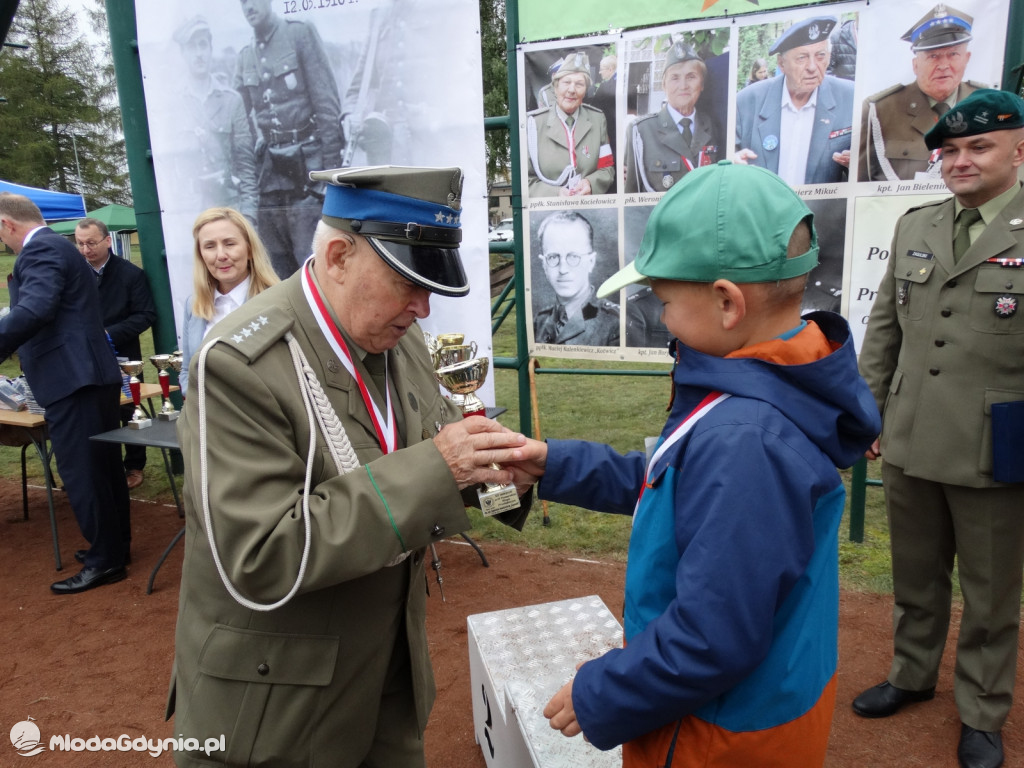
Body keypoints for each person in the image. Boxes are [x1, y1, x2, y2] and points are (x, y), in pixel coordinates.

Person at [509, 161, 880, 767]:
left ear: (727, 303)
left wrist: (602, 690)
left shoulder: (746, 437)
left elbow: (713, 637)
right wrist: (551, 464)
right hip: (761, 704)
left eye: (664, 300)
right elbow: (672, 483)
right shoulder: (763, 386)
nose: (661, 318)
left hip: (717, 734)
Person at [166, 165, 534, 767]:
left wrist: (501, 482)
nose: (423, 305)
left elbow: (438, 457)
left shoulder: (397, 335)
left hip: (385, 683)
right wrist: (443, 469)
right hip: (276, 717)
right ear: (338, 256)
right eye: (406, 282)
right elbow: (260, 557)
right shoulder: (239, 365)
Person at [853, 89, 1024, 768]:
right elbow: (884, 329)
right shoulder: (916, 225)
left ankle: (983, 711)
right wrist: (867, 411)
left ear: (1019, 149)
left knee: (990, 591)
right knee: (916, 576)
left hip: (997, 446)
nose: (959, 161)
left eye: (978, 146)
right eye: (948, 150)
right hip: (912, 436)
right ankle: (912, 674)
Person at [0, 194, 131, 594]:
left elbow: (35, 309)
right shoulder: (55, 246)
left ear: (7, 224)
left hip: (74, 379)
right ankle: (113, 546)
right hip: (86, 375)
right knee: (103, 468)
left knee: (84, 472)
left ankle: (105, 560)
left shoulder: (40, 250)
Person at [234, 0, 343, 278]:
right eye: (243, 2)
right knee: (277, 271)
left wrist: (329, 179)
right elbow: (241, 125)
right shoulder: (245, 56)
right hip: (270, 179)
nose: (249, 7)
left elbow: (327, 107)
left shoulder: (299, 34)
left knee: (315, 268)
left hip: (308, 173)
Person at [75, 217, 156, 492]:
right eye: (80, 244)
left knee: (129, 410)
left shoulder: (131, 274)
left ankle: (134, 465)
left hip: (123, 355)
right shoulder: (74, 274)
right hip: (83, 357)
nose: (86, 250)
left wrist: (109, 334)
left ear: (108, 241)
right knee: (91, 411)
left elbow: (146, 314)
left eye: (91, 243)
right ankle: (99, 468)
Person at [858, 4, 983, 182]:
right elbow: (862, 182)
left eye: (953, 54)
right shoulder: (881, 111)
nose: (944, 65)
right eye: (933, 56)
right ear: (915, 65)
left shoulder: (987, 103)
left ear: (966, 59)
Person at [735, 16, 855, 186]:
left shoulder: (851, 97)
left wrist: (859, 164)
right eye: (802, 58)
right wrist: (733, 164)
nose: (813, 67)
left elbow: (872, 166)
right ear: (781, 64)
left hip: (822, 212)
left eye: (820, 56)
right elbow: (725, 160)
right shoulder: (747, 102)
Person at [178, 207, 278, 397]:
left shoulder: (276, 301)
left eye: (229, 243)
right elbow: (187, 370)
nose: (221, 255)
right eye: (210, 246)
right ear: (201, 256)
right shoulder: (194, 305)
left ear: (249, 250)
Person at [172, 16, 258, 222]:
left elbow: (246, 165)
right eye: (192, 47)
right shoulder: (173, 104)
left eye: (203, 46)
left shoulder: (232, 101)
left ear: (211, 49)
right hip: (190, 211)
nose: (199, 54)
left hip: (228, 207)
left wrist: (249, 217)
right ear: (183, 53)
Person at [624, 41, 723, 193]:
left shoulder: (713, 126)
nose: (683, 85)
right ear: (664, 85)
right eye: (675, 78)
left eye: (691, 77)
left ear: (702, 84)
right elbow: (631, 195)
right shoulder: (641, 131)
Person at [526, 52, 615, 197]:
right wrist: (555, 194)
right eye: (566, 82)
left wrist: (590, 183)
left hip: (589, 209)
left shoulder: (597, 119)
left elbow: (607, 169)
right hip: (548, 214)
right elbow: (526, 180)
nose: (572, 90)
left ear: (585, 91)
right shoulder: (534, 124)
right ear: (555, 87)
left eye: (579, 84)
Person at [533, 211, 620, 346]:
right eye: (553, 257)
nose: (563, 269)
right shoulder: (540, 321)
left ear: (591, 262)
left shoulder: (614, 322)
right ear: (544, 264)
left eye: (573, 257)